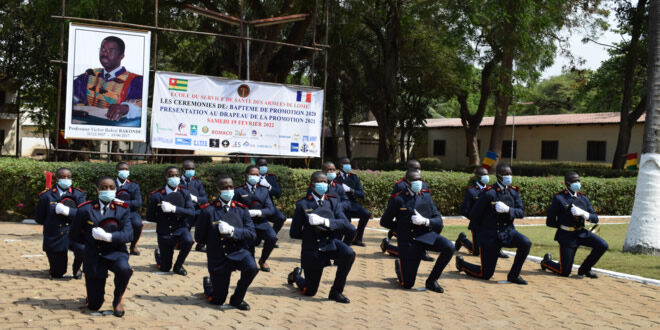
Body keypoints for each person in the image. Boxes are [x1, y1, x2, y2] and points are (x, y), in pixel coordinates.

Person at [455, 163, 531, 285]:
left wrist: (508, 210)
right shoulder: (489, 193)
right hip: (490, 235)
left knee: (525, 243)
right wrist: (483, 232)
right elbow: (474, 215)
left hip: (508, 232)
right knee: (485, 274)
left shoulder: (514, 191)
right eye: (506, 174)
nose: (509, 176)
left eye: (510, 174)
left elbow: (521, 212)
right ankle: (462, 264)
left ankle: (514, 275)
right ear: (498, 175)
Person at [380, 169, 454, 293]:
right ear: (407, 182)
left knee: (449, 247)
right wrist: (402, 229)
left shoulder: (425, 196)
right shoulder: (398, 199)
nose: (417, 182)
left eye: (419, 179)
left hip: (425, 235)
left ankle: (432, 281)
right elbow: (384, 221)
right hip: (408, 241)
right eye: (414, 180)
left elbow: (438, 220)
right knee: (407, 284)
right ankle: (400, 267)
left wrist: (425, 221)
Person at [287, 171, 356, 303]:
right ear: (311, 185)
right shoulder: (303, 204)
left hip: (331, 243)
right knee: (310, 291)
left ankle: (336, 291)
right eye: (319, 182)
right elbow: (294, 233)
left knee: (349, 253)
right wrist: (311, 233)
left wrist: (325, 223)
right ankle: (296, 276)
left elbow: (344, 223)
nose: (323, 184)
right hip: (312, 249)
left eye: (325, 182)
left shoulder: (333, 201)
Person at [69, 176, 133, 317]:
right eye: (104, 187)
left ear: (116, 189)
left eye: (111, 187)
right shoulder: (85, 209)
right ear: (97, 189)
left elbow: (129, 234)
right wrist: (83, 251)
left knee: (124, 269)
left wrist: (110, 237)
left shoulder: (122, 209)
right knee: (94, 305)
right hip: (94, 255)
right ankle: (93, 296)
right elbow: (73, 236)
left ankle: (117, 300)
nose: (108, 190)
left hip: (116, 251)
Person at [197, 175, 257, 310]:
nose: (228, 190)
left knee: (252, 267)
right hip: (218, 256)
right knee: (217, 300)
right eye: (224, 187)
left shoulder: (241, 209)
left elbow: (252, 234)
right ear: (218, 189)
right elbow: (199, 238)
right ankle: (209, 285)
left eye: (230, 187)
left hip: (239, 252)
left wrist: (233, 231)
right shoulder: (208, 210)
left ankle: (237, 299)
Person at [540, 171, 608, 278]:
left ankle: (584, 270)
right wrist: (563, 226)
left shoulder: (583, 198)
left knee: (602, 245)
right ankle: (546, 262)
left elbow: (595, 219)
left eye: (578, 181)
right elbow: (550, 221)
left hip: (581, 233)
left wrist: (584, 214)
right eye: (574, 181)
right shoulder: (559, 198)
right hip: (567, 236)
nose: (577, 183)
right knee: (565, 272)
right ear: (567, 183)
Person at [72, 36, 143, 122]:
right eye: (102, 49)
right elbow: (72, 98)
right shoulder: (88, 76)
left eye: (111, 50)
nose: (105, 53)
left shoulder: (134, 80)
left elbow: (142, 107)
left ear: (121, 56)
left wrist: (126, 108)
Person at [35, 167, 86, 279]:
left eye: (69, 177)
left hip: (74, 234)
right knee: (58, 273)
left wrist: (68, 211)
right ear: (57, 178)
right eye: (63, 177)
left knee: (84, 248)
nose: (66, 179)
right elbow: (39, 218)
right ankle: (56, 267)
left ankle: (77, 267)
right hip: (55, 236)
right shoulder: (46, 196)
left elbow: (84, 214)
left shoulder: (79, 195)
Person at [380, 159, 434, 262]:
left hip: (419, 217)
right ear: (409, 169)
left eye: (419, 169)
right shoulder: (400, 185)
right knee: (409, 253)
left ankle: (423, 252)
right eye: (416, 169)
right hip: (405, 218)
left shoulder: (422, 183)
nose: (418, 171)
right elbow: (394, 203)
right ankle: (388, 246)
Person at [148, 166, 195, 275]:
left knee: (188, 241)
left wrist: (174, 209)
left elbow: (191, 212)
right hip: (165, 231)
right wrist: (163, 216)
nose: (174, 178)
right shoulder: (157, 195)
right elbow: (150, 216)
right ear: (166, 177)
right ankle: (159, 256)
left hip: (180, 228)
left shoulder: (185, 193)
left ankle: (178, 266)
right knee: (165, 268)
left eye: (177, 175)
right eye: (171, 175)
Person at [454, 167, 509, 259]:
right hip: (477, 224)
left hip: (490, 223)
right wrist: (474, 217)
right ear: (478, 177)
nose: (486, 177)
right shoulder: (471, 191)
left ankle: (497, 250)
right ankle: (462, 240)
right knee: (476, 252)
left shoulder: (492, 189)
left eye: (487, 174)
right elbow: (464, 209)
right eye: (484, 175)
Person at [233, 165, 278, 272]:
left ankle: (263, 260)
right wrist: (245, 214)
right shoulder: (238, 191)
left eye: (257, 175)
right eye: (252, 174)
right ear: (246, 175)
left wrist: (258, 212)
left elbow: (271, 209)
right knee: (250, 261)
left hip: (261, 222)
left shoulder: (264, 191)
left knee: (272, 237)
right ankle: (250, 261)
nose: (254, 176)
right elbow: (234, 209)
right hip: (246, 224)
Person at [306, 161, 356, 244]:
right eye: (329, 170)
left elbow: (347, 202)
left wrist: (337, 206)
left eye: (333, 170)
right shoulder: (315, 187)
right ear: (323, 171)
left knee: (351, 229)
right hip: (322, 215)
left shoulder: (338, 187)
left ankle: (344, 247)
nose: (331, 172)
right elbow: (310, 202)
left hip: (337, 212)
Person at [334, 157, 371, 247]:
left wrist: (351, 190)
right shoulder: (335, 177)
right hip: (340, 204)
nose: (348, 165)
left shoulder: (353, 177)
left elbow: (361, 193)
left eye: (349, 163)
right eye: (345, 163)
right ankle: (339, 242)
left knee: (366, 214)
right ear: (340, 165)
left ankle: (357, 238)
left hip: (352, 203)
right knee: (345, 223)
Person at [179, 160, 209, 252]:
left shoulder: (197, 182)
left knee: (204, 224)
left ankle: (200, 245)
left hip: (197, 209)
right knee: (185, 228)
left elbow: (204, 199)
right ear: (183, 170)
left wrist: (196, 199)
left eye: (192, 168)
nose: (191, 170)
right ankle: (183, 243)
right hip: (185, 210)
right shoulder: (178, 182)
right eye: (188, 168)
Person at [114, 162, 143, 255]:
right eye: (122, 169)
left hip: (131, 212)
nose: (125, 171)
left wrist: (122, 203)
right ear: (116, 171)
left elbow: (138, 202)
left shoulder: (134, 186)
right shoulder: (111, 184)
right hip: (114, 211)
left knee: (138, 224)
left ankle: (133, 246)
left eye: (127, 169)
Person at [256, 158, 286, 239]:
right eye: (261, 165)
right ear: (256, 166)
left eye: (265, 165)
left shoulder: (271, 177)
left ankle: (271, 236)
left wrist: (269, 186)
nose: (264, 167)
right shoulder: (253, 177)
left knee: (281, 218)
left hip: (269, 206)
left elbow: (278, 193)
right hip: (257, 207)